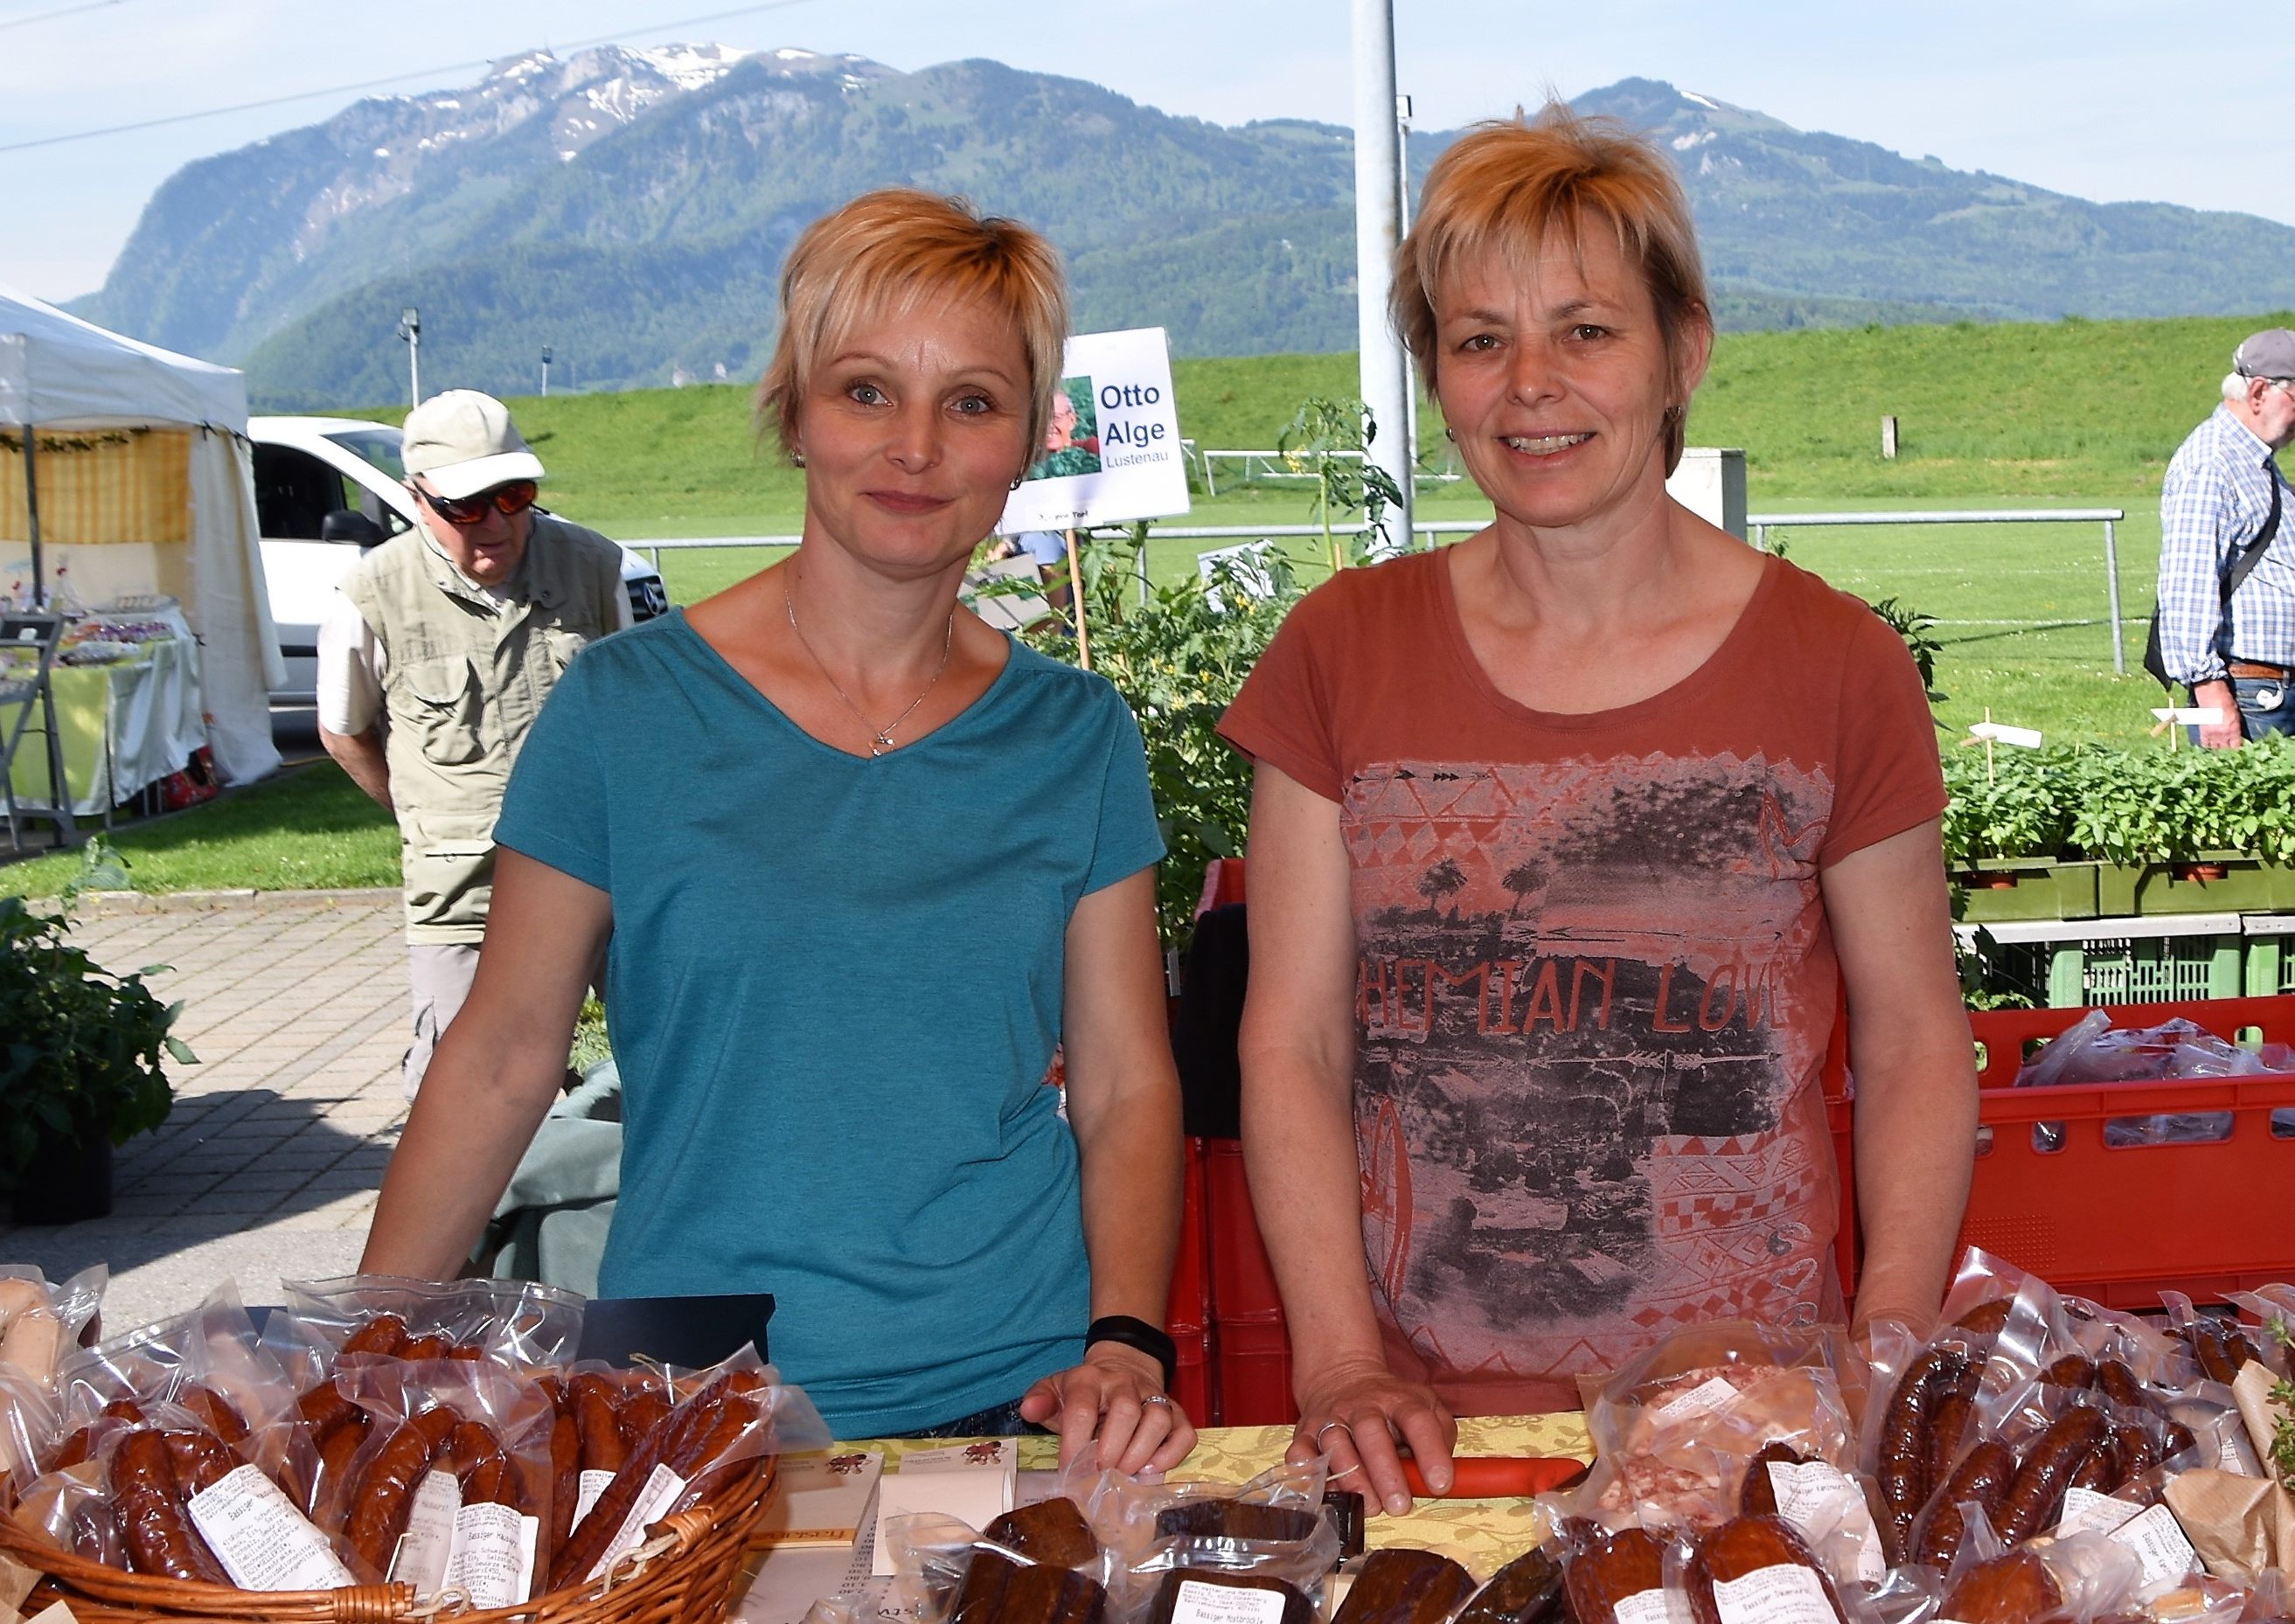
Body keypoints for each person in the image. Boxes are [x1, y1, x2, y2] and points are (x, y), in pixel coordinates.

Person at [1217, 107, 1977, 1516]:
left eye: (1585, 330)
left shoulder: (1836, 665)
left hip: (1751, 1418)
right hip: (1425, 1436)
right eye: (1479, 337)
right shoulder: (1339, 651)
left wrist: (1881, 1352)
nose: (1529, 388)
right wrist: (1336, 1367)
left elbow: (1918, 1037)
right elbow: (1297, 1041)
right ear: (1435, 373)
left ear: (1682, 354)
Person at [359, 189, 1193, 1472]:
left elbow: (1128, 1079)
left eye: (971, 401)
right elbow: (501, 1056)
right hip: (697, 1402)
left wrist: (1127, 1337)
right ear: (794, 412)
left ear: (1024, 441)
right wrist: (360, 1360)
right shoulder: (623, 713)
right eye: (866, 390)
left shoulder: (1074, 737)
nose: (915, 446)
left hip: (1012, 1389)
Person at [318, 389, 629, 1099]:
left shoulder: (596, 567)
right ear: (415, 499)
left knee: (671, 1060)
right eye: (467, 505)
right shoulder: (371, 593)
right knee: (460, 1096)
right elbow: (343, 731)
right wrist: (422, 816)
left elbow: (650, 718)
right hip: (458, 891)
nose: (494, 522)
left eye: (513, 494)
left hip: (605, 875)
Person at [2155, 330, 2295, 747]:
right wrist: (2211, 694)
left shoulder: (2255, 461)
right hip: (2254, 693)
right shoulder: (2211, 463)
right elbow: (2187, 587)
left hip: (2270, 689)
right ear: (2259, 393)